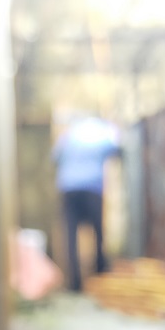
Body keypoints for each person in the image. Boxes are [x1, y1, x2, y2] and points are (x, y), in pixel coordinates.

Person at [51, 115, 120, 291]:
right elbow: (116, 149)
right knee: (98, 233)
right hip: (92, 188)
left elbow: (55, 157)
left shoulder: (69, 136)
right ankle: (100, 277)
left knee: (71, 236)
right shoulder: (103, 133)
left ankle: (74, 284)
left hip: (69, 188)